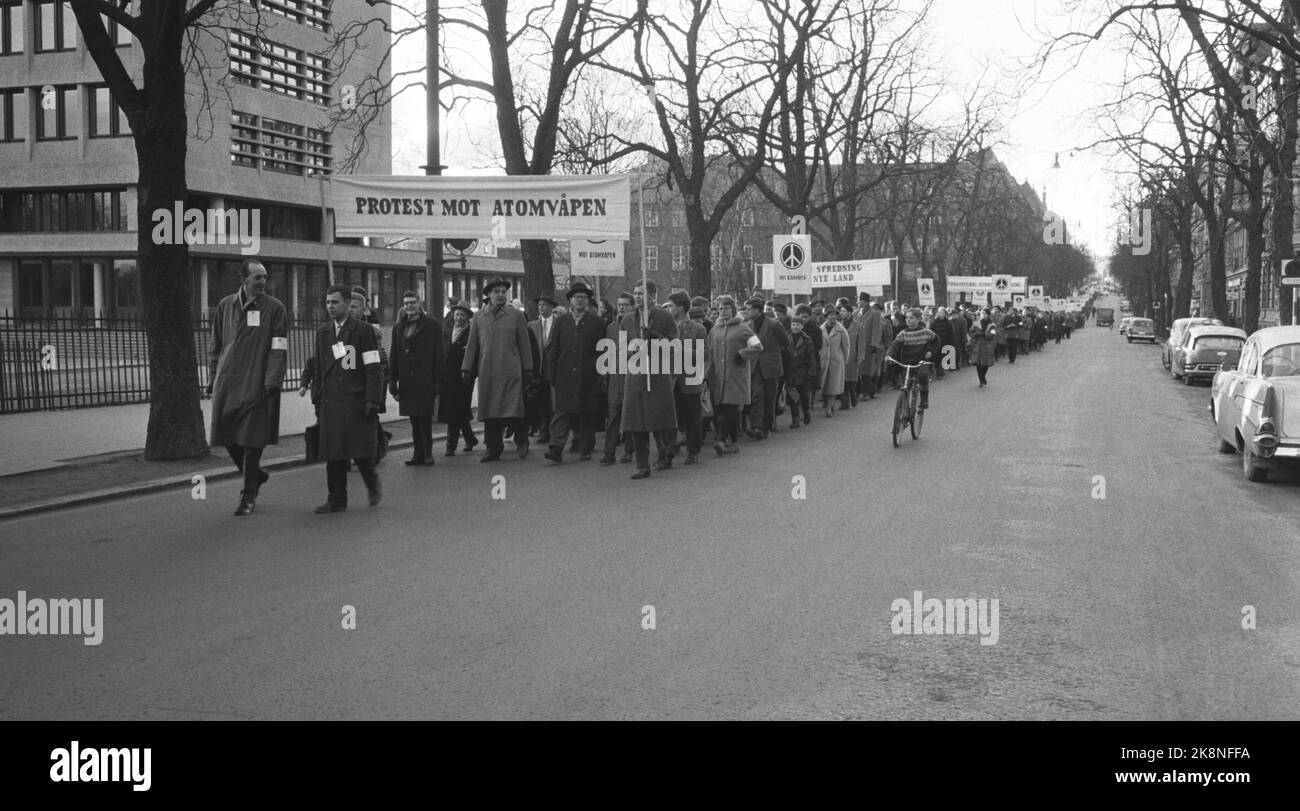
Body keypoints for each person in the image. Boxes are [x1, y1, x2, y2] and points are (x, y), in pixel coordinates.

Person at [206, 258, 287, 516]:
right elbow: (216, 346)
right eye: (257, 277)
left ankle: (248, 495)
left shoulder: (275, 309)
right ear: (244, 280)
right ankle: (256, 476)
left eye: (264, 277)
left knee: (252, 441)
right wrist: (212, 377)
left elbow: (279, 347)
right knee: (228, 435)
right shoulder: (225, 306)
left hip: (258, 382)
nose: (263, 281)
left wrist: (273, 380)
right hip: (228, 381)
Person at [311, 284, 384, 513]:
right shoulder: (323, 332)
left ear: (345, 303)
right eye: (327, 303)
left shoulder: (362, 331)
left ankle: (372, 483)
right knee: (334, 452)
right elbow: (319, 367)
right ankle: (336, 498)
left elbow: (373, 366)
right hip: (331, 400)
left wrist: (373, 399)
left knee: (359, 450)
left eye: (335, 302)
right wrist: (317, 397)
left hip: (355, 399)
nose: (330, 307)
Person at [462, 277, 535, 462]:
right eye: (497, 292)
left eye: (504, 292)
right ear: (488, 295)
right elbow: (472, 346)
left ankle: (522, 440)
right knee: (490, 413)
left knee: (513, 409)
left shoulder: (516, 315)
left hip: (511, 371)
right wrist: (467, 369)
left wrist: (528, 369)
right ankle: (493, 448)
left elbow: (525, 344)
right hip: (488, 372)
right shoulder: (479, 317)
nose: (501, 295)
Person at [620, 280, 678, 479]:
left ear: (652, 295)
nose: (637, 297)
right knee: (637, 423)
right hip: (636, 376)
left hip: (658, 374)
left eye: (641, 293)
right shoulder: (627, 320)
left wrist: (655, 337)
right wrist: (631, 350)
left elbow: (674, 344)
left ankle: (664, 452)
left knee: (659, 419)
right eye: (635, 293)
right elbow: (620, 348)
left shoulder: (665, 317)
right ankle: (642, 465)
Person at [542, 283, 606, 463]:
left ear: (588, 301)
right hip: (564, 375)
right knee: (562, 412)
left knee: (587, 413)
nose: (580, 301)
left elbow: (602, 350)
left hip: (588, 375)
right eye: (577, 297)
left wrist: (599, 372)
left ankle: (585, 448)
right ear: (570, 300)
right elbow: (553, 348)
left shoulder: (596, 322)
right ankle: (556, 448)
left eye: (584, 298)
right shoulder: (561, 321)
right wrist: (552, 373)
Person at [389, 290, 444, 466]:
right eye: (406, 303)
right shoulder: (399, 327)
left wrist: (438, 380)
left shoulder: (432, 325)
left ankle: (428, 453)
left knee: (425, 419)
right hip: (407, 380)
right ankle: (417, 454)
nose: (409, 306)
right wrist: (392, 380)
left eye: (412, 302)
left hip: (425, 378)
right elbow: (394, 355)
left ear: (419, 303)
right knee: (413, 419)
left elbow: (439, 353)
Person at [705, 295, 761, 455]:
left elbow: (758, 346)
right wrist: (707, 374)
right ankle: (734, 442)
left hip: (735, 376)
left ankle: (722, 441)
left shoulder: (742, 328)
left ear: (733, 309)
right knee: (722, 410)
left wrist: (743, 353)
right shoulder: (715, 329)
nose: (722, 311)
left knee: (730, 408)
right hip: (718, 376)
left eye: (726, 308)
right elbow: (709, 352)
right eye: (720, 308)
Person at [668, 290, 707, 465]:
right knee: (670, 417)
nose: (668, 309)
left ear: (681, 308)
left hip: (690, 378)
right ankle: (668, 449)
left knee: (692, 417)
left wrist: (681, 349)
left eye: (671, 306)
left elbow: (703, 353)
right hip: (670, 378)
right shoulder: (667, 328)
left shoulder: (698, 329)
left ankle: (693, 450)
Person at [600, 293, 635, 465]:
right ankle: (609, 452)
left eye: (626, 304)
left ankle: (629, 450)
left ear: (632, 307)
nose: (621, 307)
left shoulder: (636, 326)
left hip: (632, 374)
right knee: (613, 414)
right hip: (615, 375)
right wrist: (605, 372)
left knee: (630, 414)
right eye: (619, 304)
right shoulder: (611, 327)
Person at [745, 297, 787, 439]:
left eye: (750, 309)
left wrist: (772, 354)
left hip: (771, 366)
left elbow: (785, 342)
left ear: (758, 310)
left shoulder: (774, 325)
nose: (747, 311)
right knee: (757, 395)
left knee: (770, 398)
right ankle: (756, 426)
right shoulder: (748, 325)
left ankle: (767, 426)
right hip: (755, 365)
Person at [439, 302, 478, 455]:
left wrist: (470, 373)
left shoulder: (471, 334)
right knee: (458, 411)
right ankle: (470, 439)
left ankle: (450, 445)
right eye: (456, 314)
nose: (459, 318)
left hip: (463, 379)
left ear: (468, 318)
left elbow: (475, 356)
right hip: (447, 377)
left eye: (462, 315)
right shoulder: (446, 332)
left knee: (455, 411)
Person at [885, 308, 939, 410]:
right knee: (906, 383)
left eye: (912, 318)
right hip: (908, 362)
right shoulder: (903, 333)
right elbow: (894, 346)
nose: (908, 320)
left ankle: (924, 399)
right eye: (907, 318)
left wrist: (931, 351)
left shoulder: (926, 332)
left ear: (919, 319)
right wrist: (889, 355)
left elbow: (936, 341)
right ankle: (905, 409)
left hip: (922, 361)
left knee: (922, 376)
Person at [528, 294, 559, 444]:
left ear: (552, 307)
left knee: (554, 402)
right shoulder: (532, 325)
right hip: (538, 370)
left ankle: (554, 430)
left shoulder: (559, 323)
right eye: (539, 304)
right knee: (541, 402)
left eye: (545, 305)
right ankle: (543, 429)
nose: (541, 307)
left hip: (554, 369)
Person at [785, 316, 819, 428]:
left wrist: (811, 373)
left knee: (804, 396)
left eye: (798, 324)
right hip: (790, 372)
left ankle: (806, 412)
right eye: (793, 324)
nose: (795, 327)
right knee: (792, 397)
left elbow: (811, 358)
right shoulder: (786, 338)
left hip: (803, 372)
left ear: (802, 326)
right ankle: (795, 419)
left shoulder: (807, 340)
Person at [820, 308, 849, 417]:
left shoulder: (841, 330)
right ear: (826, 316)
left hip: (836, 361)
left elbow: (846, 346)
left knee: (833, 386)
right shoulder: (821, 329)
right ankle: (828, 404)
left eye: (835, 315)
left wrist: (844, 360)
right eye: (830, 315)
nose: (833, 317)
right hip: (823, 360)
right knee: (825, 384)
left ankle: (829, 407)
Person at [969, 315, 998, 387]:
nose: (983, 315)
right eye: (982, 313)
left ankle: (983, 377)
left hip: (987, 346)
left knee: (985, 364)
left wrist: (985, 334)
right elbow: (971, 332)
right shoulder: (975, 323)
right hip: (978, 346)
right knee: (978, 364)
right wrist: (976, 334)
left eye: (985, 313)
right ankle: (981, 380)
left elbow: (993, 334)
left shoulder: (992, 325)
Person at [929, 308, 954, 379]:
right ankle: (938, 372)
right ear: (938, 313)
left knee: (943, 356)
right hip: (937, 342)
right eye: (940, 312)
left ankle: (941, 370)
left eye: (942, 312)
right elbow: (932, 332)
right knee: (937, 357)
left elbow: (951, 333)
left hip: (945, 342)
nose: (941, 314)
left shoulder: (948, 322)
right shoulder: (935, 322)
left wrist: (950, 342)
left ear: (945, 313)